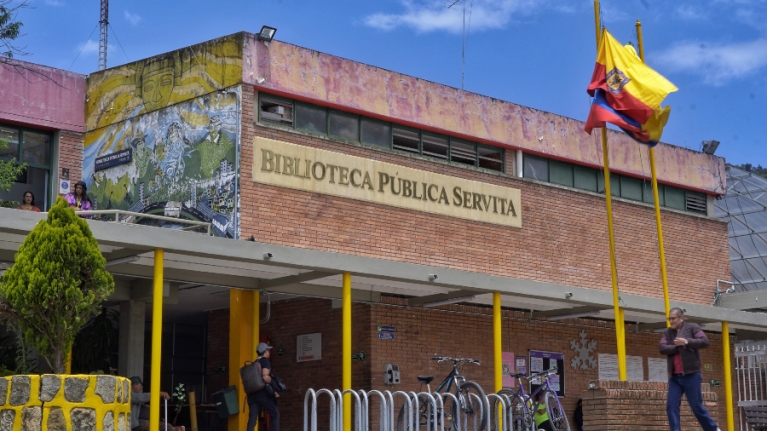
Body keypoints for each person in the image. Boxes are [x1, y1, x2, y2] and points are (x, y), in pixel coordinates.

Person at [659, 307, 721, 431]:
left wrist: (686, 342)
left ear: (681, 318)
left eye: (673, 318)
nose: (671, 321)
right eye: (669, 318)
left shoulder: (692, 327)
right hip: (675, 378)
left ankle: (713, 429)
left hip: (691, 375)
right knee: (671, 406)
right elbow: (662, 348)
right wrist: (677, 347)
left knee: (696, 406)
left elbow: (704, 341)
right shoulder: (668, 333)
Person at [246, 342, 280, 431]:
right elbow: (265, 377)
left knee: (252, 419)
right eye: (268, 350)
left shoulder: (254, 363)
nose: (269, 352)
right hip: (262, 393)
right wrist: (273, 383)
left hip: (252, 395)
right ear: (265, 351)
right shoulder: (265, 361)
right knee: (275, 414)